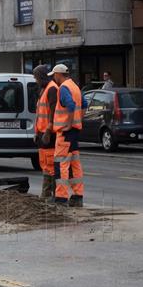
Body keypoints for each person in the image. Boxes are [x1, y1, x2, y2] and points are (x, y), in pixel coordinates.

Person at [49, 64, 84, 207]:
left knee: (61, 164)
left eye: (54, 75)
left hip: (65, 132)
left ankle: (61, 198)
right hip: (74, 132)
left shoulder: (63, 88)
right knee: (74, 164)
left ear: (58, 74)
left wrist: (69, 123)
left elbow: (70, 105)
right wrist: (78, 121)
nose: (54, 78)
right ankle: (77, 196)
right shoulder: (74, 86)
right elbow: (84, 103)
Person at [32, 65, 58, 199]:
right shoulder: (44, 89)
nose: (35, 80)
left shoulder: (52, 89)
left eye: (36, 77)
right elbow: (40, 113)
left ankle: (51, 193)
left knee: (50, 164)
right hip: (42, 132)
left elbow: (53, 113)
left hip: (49, 133)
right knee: (45, 163)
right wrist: (36, 132)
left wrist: (48, 130)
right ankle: (46, 193)